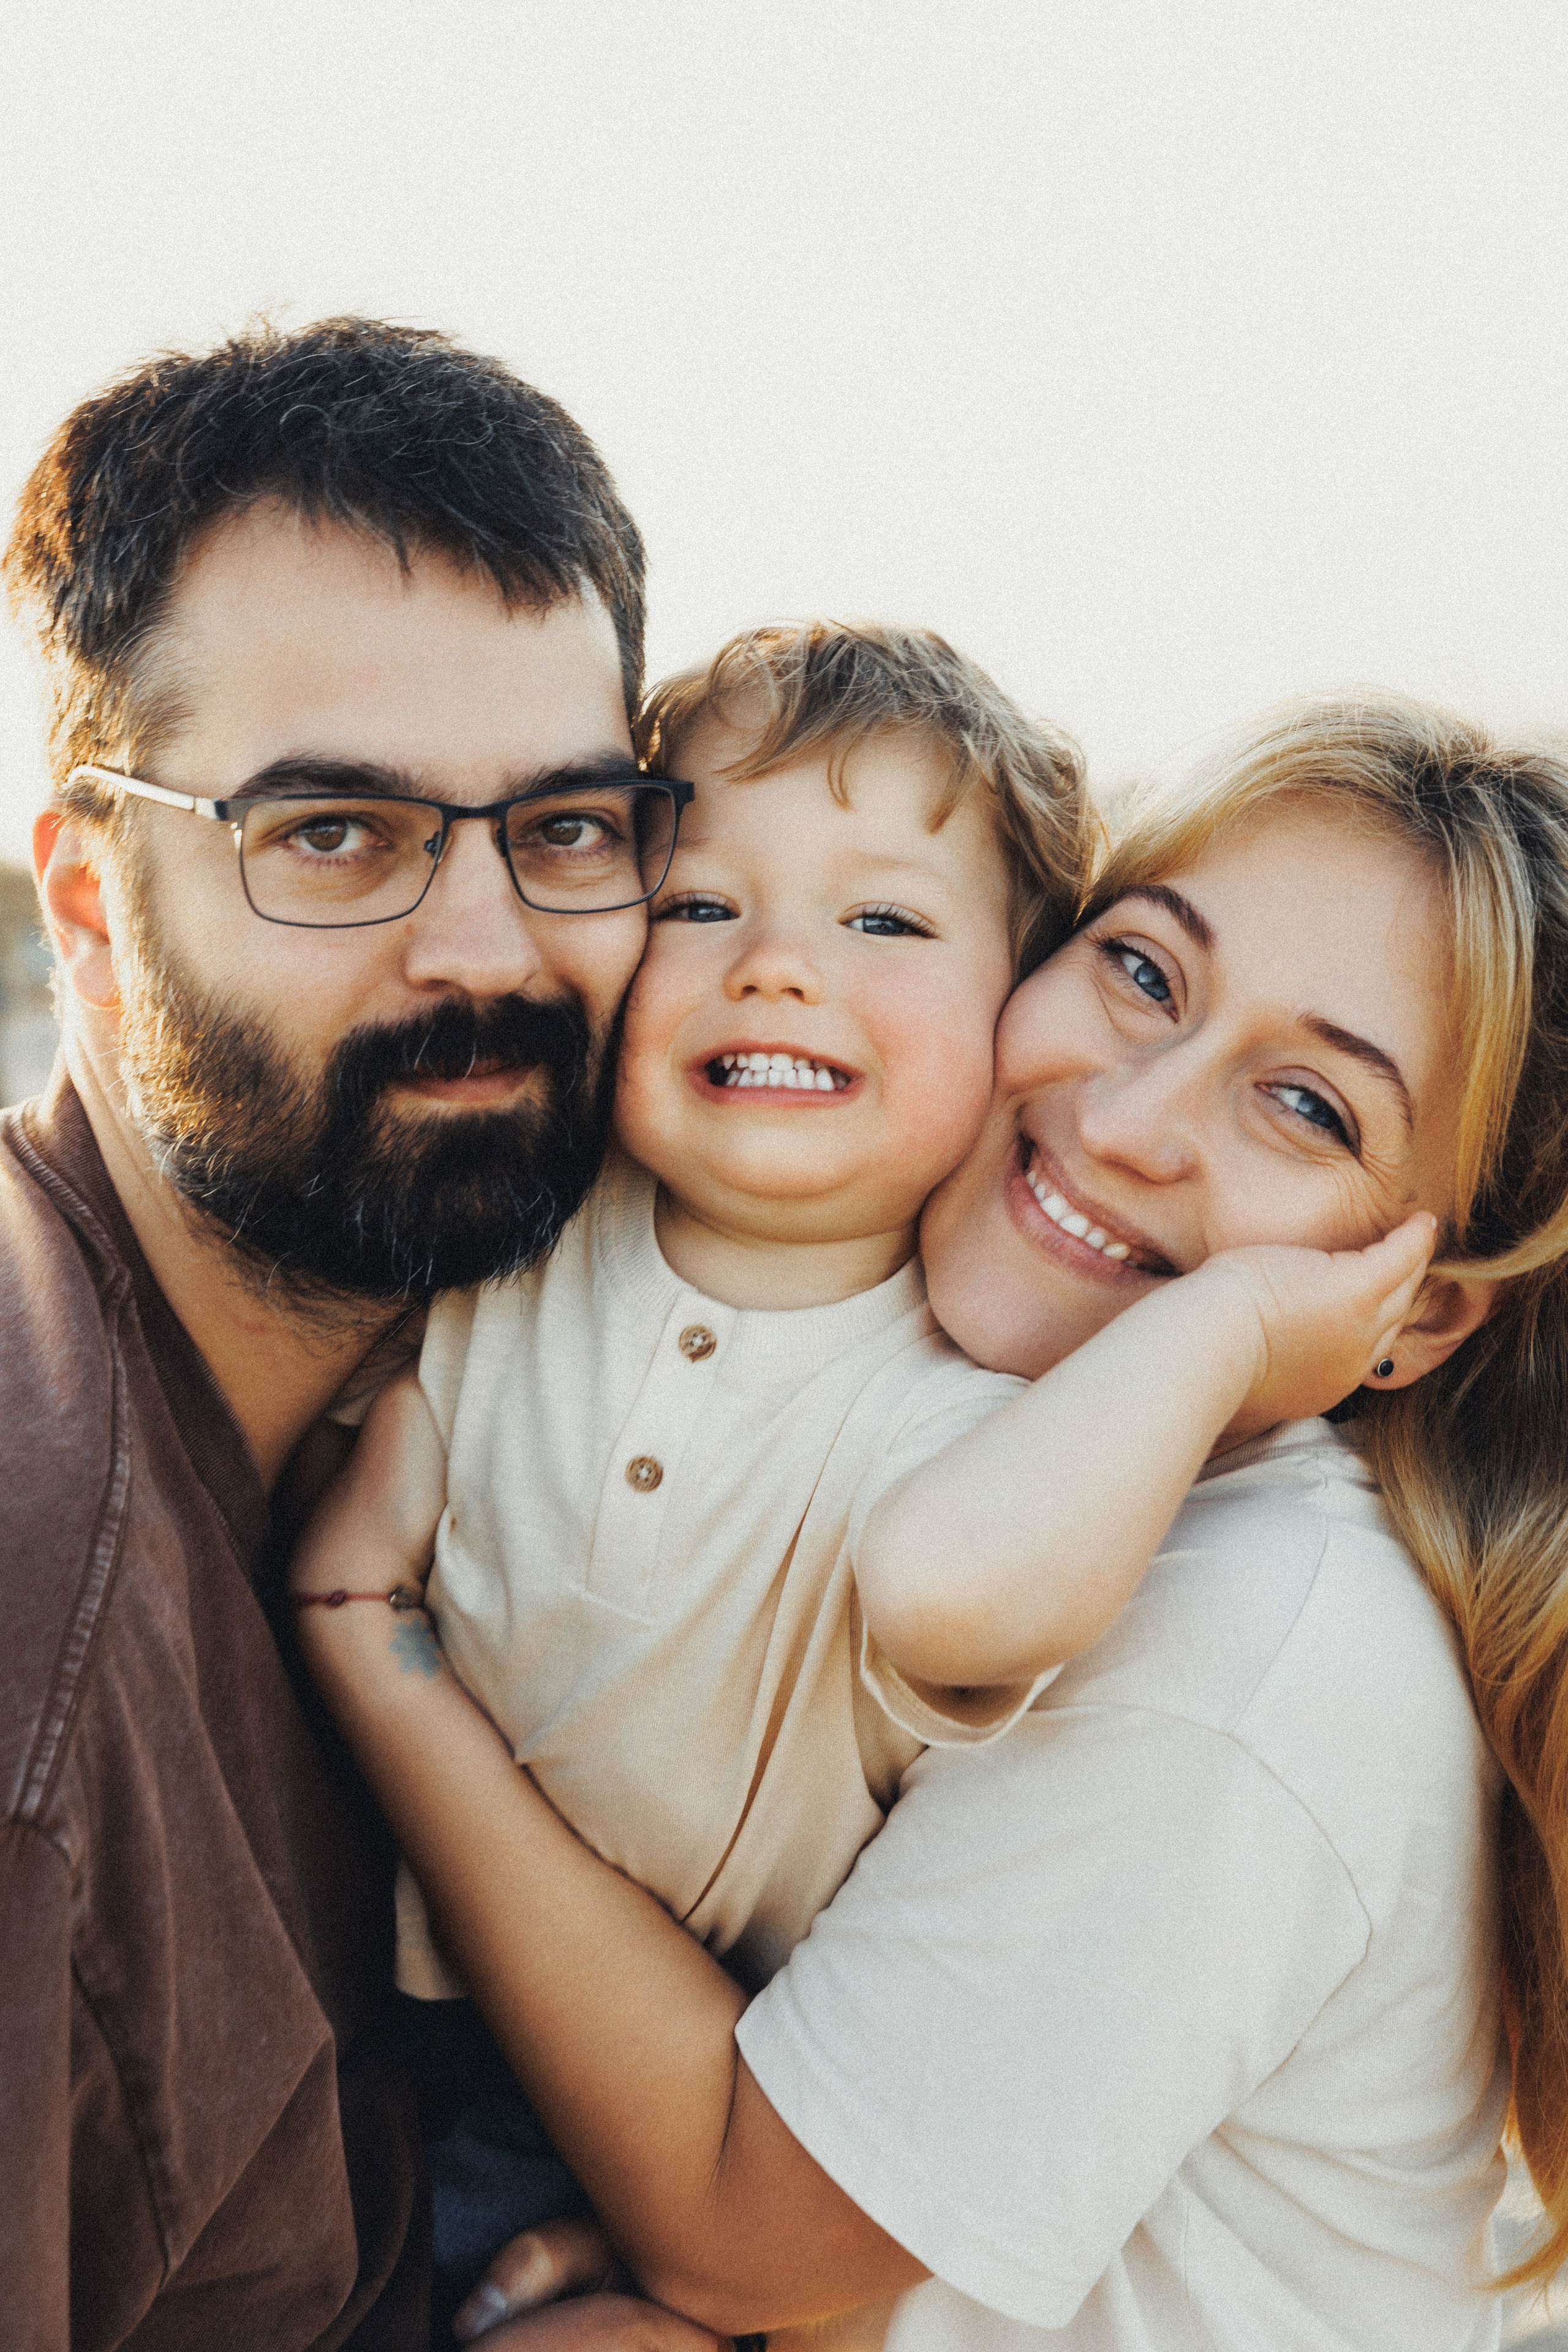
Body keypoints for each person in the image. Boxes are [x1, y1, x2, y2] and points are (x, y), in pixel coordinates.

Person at [293, 694, 1566, 2350]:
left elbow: (753, 2242)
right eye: (1142, 972)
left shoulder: (1254, 1629)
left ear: (1415, 1311)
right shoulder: (943, 1397)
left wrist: (379, 1663)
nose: (1125, 1120)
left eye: (1309, 1109)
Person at [0, 314, 670, 2348]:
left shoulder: (520, 1423)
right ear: (96, 907)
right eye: (331, 836)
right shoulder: (36, 1638)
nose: (484, 948)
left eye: (563, 826)